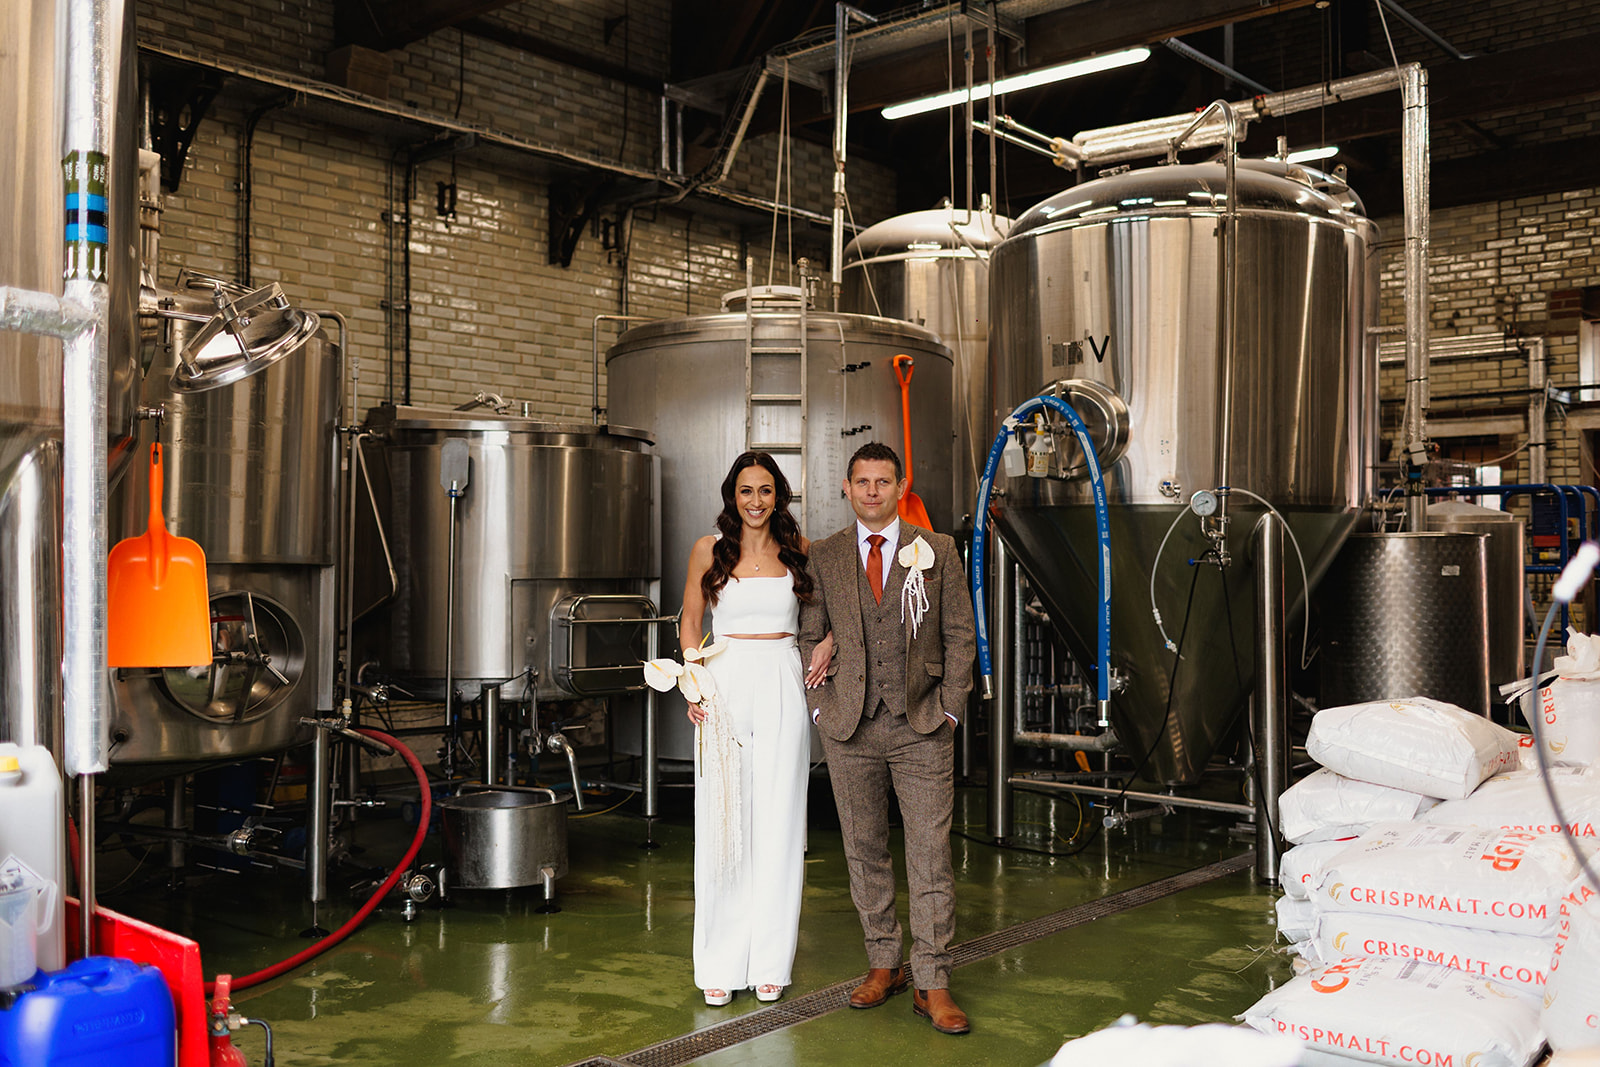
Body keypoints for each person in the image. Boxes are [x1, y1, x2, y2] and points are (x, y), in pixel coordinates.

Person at [798, 440, 977, 1035]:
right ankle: (883, 962)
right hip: (850, 725)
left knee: (930, 853)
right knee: (864, 849)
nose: (872, 491)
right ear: (846, 489)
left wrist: (950, 709)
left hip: (922, 724)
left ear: (901, 488)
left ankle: (932, 977)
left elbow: (960, 635)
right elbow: (811, 635)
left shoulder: (939, 550)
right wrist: (822, 711)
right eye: (862, 481)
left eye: (883, 481)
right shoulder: (823, 554)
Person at [678, 451, 830, 1007]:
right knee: (722, 825)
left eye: (766, 491)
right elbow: (690, 621)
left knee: (779, 821)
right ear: (732, 496)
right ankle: (719, 960)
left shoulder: (802, 552)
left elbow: (826, 615)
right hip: (725, 684)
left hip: (784, 683)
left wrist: (829, 641)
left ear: (778, 496)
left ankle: (770, 959)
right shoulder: (707, 550)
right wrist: (694, 679)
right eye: (746, 491)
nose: (756, 501)